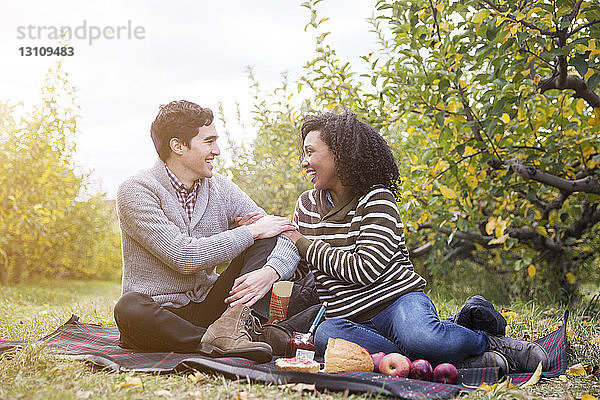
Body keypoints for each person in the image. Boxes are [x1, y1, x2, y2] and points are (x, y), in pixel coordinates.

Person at [278, 111, 549, 373]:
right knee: (325, 335)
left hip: (397, 303)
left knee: (421, 338)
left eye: (310, 152)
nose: (304, 161)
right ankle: (443, 360)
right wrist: (266, 236)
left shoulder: (377, 200)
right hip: (348, 319)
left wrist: (303, 243)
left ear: (340, 154)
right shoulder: (306, 205)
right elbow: (302, 267)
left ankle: (488, 342)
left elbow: (364, 269)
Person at [113, 100, 298, 362]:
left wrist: (271, 272)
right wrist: (250, 232)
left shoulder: (221, 188)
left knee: (266, 238)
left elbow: (284, 235)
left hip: (209, 306)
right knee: (128, 307)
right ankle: (210, 340)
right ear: (178, 146)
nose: (218, 150)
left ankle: (226, 331)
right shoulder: (136, 190)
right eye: (209, 142)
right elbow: (182, 256)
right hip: (157, 316)